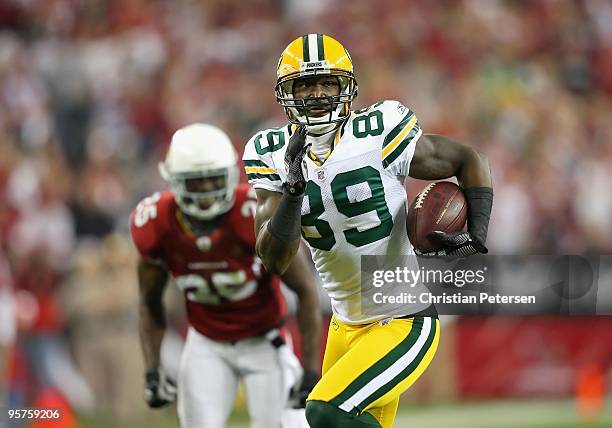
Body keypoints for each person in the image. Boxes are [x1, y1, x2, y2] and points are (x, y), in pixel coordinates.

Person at [242, 34, 493, 428]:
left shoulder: (378, 130)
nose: (318, 94)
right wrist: (292, 187)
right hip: (343, 326)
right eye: (305, 84)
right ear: (286, 93)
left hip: (402, 321)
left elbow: (467, 158)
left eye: (328, 82)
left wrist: (476, 233)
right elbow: (274, 258)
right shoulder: (271, 151)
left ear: (347, 87)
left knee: (324, 410)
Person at [129, 123, 321, 428]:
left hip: (264, 341)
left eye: (213, 180)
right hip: (207, 343)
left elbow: (306, 289)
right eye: (196, 182)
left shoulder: (251, 213)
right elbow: (149, 302)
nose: (206, 191)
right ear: (175, 181)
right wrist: (152, 370)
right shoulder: (157, 224)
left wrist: (311, 371)